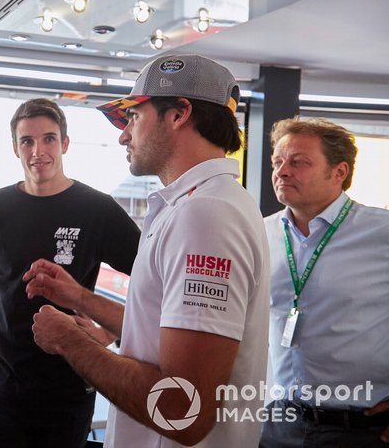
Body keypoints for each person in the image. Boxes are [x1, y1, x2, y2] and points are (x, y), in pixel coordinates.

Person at [25, 54, 271, 447]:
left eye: (134, 118)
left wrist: (70, 341)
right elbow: (159, 336)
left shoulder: (205, 215)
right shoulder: (202, 204)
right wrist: (80, 298)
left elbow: (180, 409)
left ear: (179, 114)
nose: (125, 135)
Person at [0, 98, 141, 447]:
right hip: (9, 386)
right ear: (15, 148)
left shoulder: (96, 208)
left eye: (48, 139)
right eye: (27, 141)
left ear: (65, 144)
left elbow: (151, 280)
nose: (37, 150)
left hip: (71, 381)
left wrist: (106, 333)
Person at [260, 117, 389, 447]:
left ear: (339, 172)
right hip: (278, 424)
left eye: (299, 162)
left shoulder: (381, 233)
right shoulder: (259, 234)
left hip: (363, 430)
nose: (282, 171)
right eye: (278, 161)